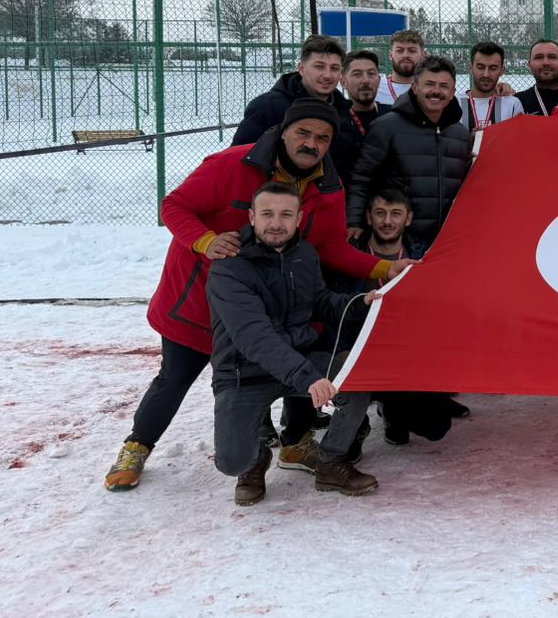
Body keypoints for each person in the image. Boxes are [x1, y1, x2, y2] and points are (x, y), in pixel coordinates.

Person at [103, 100, 407, 491]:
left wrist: (382, 269)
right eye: (303, 133)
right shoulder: (232, 164)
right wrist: (204, 241)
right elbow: (174, 205)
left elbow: (331, 246)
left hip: (278, 303)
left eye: (322, 138)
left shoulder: (327, 186)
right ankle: (138, 446)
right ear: (284, 132)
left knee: (295, 354)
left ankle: (295, 444)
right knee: (175, 378)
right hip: (199, 299)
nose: (311, 143)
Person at [208, 183, 382, 504]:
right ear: (252, 217)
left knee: (355, 380)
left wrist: (361, 303)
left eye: (286, 214)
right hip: (243, 372)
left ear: (299, 218)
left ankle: (330, 463)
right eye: (268, 214)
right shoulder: (229, 267)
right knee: (231, 461)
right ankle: (255, 461)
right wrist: (307, 376)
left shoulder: (304, 254)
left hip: (299, 357)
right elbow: (254, 337)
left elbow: (319, 301)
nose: (276, 223)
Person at [314, 186, 458, 451]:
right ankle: (356, 428)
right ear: (369, 217)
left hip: (404, 356)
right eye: (380, 213)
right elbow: (331, 309)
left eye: (395, 214)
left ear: (409, 218)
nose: (387, 221)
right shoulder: (348, 255)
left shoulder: (424, 255)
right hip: (357, 355)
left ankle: (393, 413)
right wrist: (341, 352)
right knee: (348, 447)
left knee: (437, 427)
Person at [348, 56, 474, 248]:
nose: (436, 91)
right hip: (399, 242)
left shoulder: (461, 135)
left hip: (447, 242)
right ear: (414, 88)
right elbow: (361, 178)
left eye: (443, 86)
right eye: (429, 84)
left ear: (452, 92)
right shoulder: (386, 127)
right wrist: (354, 221)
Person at [232, 35, 357, 181]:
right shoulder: (267, 107)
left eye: (334, 68)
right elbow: (237, 159)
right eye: (319, 66)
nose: (328, 75)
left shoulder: (343, 109)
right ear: (301, 68)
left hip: (328, 199)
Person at [335, 49, 384, 186]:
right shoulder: (335, 121)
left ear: (379, 80)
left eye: (371, 73)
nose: (365, 80)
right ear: (343, 82)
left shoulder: (393, 116)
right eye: (357, 74)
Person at [465, 41, 523, 133]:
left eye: (493, 68)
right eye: (480, 67)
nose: (486, 74)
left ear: (502, 70)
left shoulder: (512, 104)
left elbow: (517, 141)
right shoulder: (455, 103)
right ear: (471, 68)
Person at [517, 38, 558, 117]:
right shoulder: (517, 102)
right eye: (538, 57)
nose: (546, 62)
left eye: (552, 57)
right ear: (529, 64)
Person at [376, 29, 426, 106]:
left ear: (422, 56)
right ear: (391, 55)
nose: (405, 55)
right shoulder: (376, 87)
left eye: (412, 51)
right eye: (399, 51)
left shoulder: (431, 88)